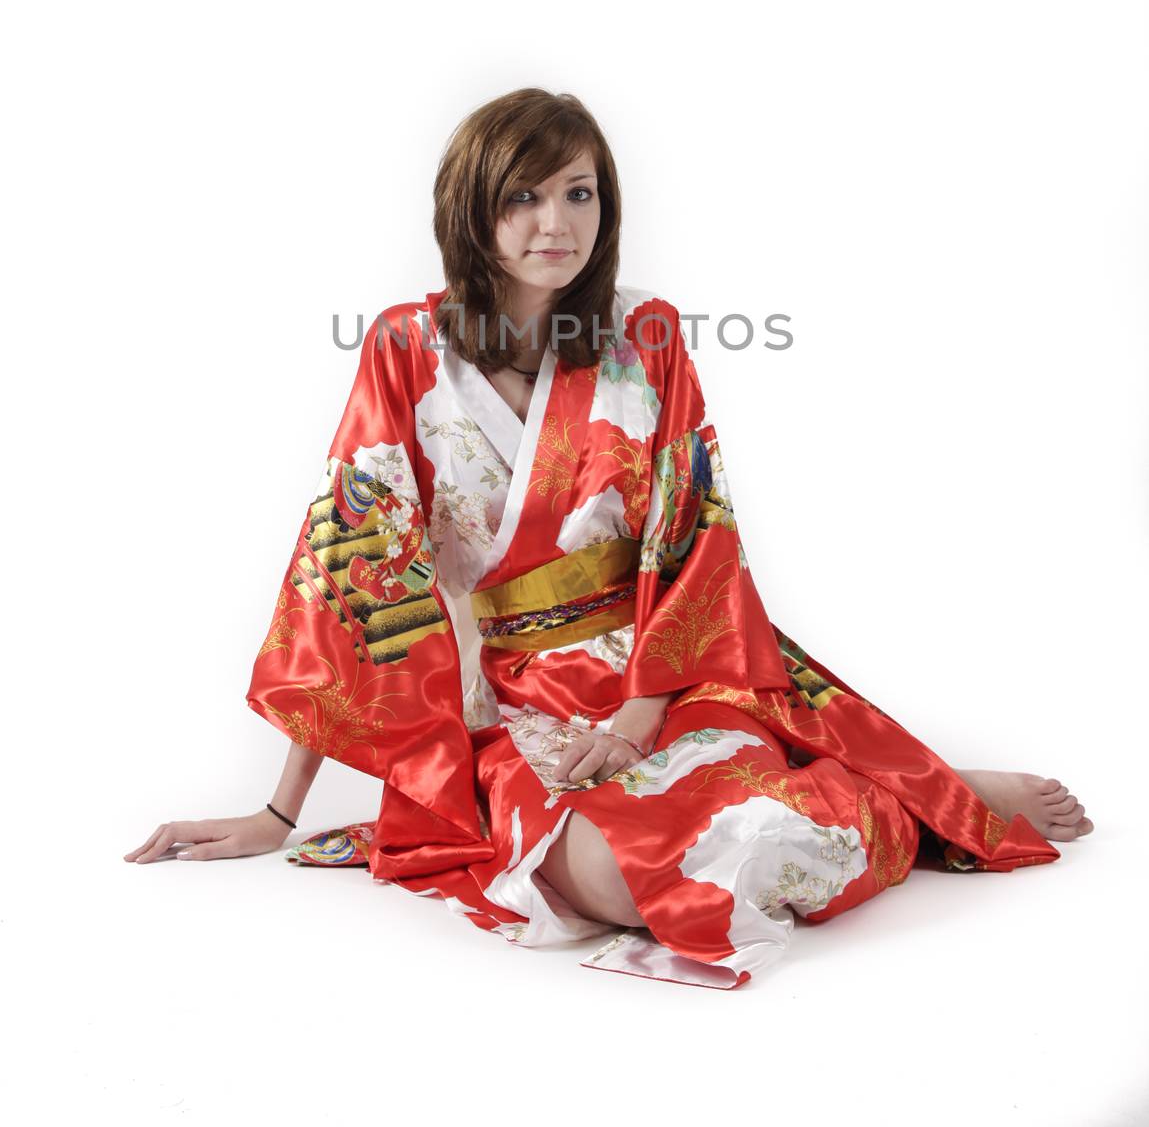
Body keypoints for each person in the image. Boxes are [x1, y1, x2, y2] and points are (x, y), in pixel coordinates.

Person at [125, 87, 1092, 989]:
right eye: (525, 197)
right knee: (612, 888)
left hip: (660, 667)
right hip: (513, 689)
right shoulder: (402, 348)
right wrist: (279, 811)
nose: (558, 223)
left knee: (724, 829)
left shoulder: (649, 336)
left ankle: (909, 798)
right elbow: (353, 572)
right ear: (471, 209)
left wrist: (637, 716)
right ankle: (895, 784)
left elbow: (693, 537)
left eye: (579, 193)